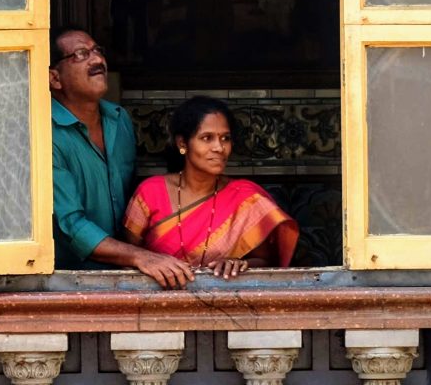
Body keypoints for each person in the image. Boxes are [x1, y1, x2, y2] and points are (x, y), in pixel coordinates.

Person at [49, 27, 193, 288]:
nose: (97, 61)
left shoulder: (119, 119)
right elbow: (71, 225)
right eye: (80, 55)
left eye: (97, 51)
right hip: (68, 284)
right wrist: (140, 256)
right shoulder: (46, 133)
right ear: (55, 78)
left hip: (127, 276)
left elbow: (136, 201)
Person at [122, 96, 299, 279]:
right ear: (182, 143)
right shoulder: (151, 192)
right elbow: (127, 259)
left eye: (225, 138)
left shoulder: (246, 197)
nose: (219, 148)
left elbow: (267, 263)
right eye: (207, 138)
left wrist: (238, 263)